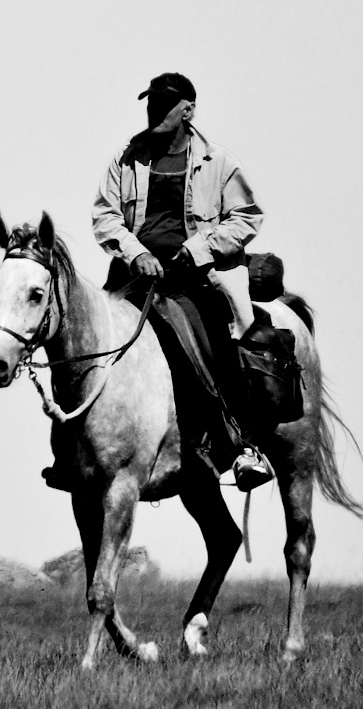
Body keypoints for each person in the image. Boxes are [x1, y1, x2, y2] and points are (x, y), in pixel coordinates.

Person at [49, 71, 272, 491]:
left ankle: (244, 445)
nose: (154, 110)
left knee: (213, 342)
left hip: (193, 280)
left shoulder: (218, 163)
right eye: (151, 102)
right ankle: (68, 451)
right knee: (77, 343)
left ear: (188, 110)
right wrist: (138, 254)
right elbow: (105, 216)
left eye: (165, 104)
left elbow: (247, 217)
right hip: (134, 278)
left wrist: (200, 248)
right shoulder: (126, 158)